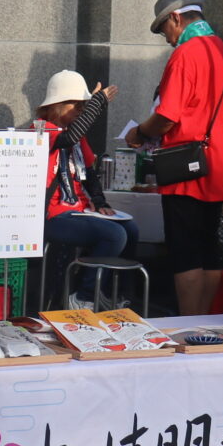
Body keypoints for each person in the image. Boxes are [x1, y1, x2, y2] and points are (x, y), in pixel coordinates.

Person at [124, 0, 223, 317]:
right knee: (209, 251)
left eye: (164, 29)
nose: (166, 39)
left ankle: (188, 324)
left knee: (185, 252)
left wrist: (139, 133)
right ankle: (203, 323)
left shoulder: (186, 54)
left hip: (185, 169)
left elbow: (167, 116)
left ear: (176, 18)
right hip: (219, 166)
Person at [35, 70, 140, 306]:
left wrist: (100, 202)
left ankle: (115, 295)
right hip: (53, 215)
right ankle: (84, 297)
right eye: (76, 104)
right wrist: (96, 103)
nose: (81, 110)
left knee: (130, 230)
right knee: (114, 235)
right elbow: (67, 139)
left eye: (84, 105)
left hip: (79, 211)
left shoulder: (76, 134)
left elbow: (89, 172)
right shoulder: (42, 129)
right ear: (56, 104)